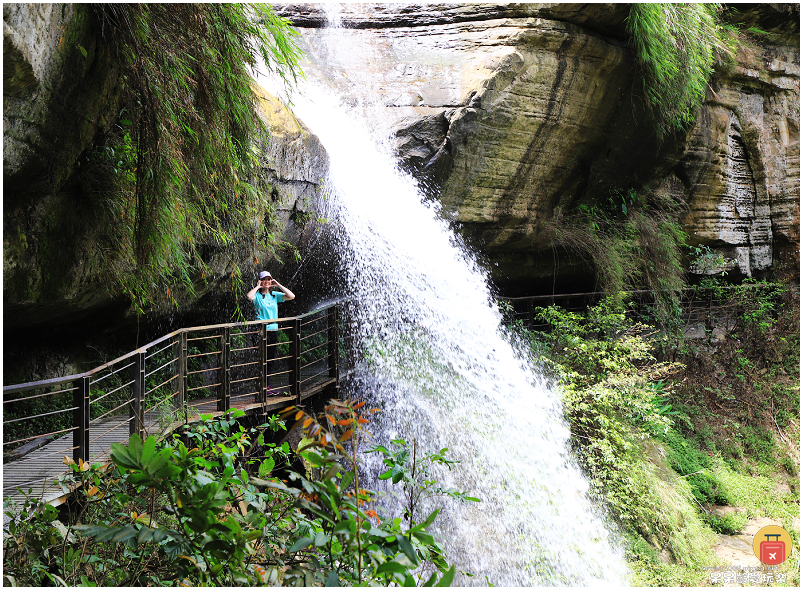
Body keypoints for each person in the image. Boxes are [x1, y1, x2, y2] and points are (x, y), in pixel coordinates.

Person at [247, 271, 295, 389]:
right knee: (261, 359)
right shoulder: (257, 296)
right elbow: (249, 296)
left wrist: (278, 284)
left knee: (270, 359)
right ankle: (259, 386)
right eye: (264, 279)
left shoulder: (274, 295)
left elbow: (291, 296)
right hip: (261, 331)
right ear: (260, 281)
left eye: (269, 279)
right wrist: (258, 286)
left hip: (273, 330)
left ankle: (266, 386)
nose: (267, 282)